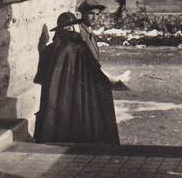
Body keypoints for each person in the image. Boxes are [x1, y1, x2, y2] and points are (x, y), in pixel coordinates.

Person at [33, 11, 120, 144]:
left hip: (59, 97)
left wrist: (42, 49)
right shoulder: (80, 47)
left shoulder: (53, 48)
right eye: (69, 28)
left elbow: (41, 77)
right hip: (79, 94)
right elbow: (95, 71)